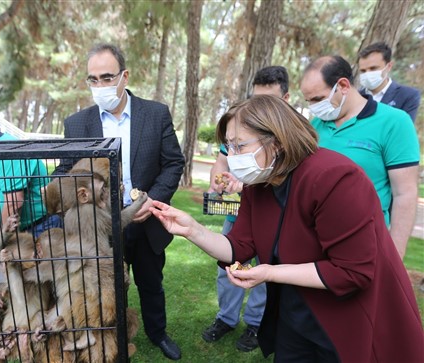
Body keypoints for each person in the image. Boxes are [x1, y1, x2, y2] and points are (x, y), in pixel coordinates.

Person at [150, 95, 424, 362]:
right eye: (229, 147)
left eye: (239, 146)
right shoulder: (260, 182)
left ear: (277, 141)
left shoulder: (335, 177)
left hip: (349, 317)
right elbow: (240, 247)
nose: (231, 157)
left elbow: (352, 271)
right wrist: (193, 230)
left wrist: (269, 272)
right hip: (295, 312)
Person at [53, 44, 185, 360]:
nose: (100, 86)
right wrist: (69, 192)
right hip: (100, 228)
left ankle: (157, 333)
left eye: (107, 77)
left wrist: (151, 200)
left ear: (124, 76)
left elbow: (173, 163)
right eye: (93, 79)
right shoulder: (77, 124)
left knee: (151, 282)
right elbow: (64, 170)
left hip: (145, 219)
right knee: (105, 286)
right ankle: (110, 336)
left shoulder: (155, 114)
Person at [300, 55, 420, 259]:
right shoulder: (315, 127)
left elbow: (405, 194)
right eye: (308, 101)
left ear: (344, 85)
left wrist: (394, 256)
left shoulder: (394, 122)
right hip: (314, 243)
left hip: (364, 244)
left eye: (318, 99)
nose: (313, 107)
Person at [203, 66, 289, 351]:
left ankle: (255, 324)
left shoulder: (288, 137)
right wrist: (221, 179)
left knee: (263, 273)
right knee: (229, 267)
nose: (257, 109)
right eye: (255, 99)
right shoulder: (241, 127)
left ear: (285, 100)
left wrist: (252, 182)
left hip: (269, 220)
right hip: (235, 216)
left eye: (268, 102)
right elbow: (223, 159)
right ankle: (226, 318)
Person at [357, 41, 421, 122]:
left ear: (389, 66)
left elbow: (403, 130)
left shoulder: (407, 95)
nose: (367, 73)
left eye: (373, 68)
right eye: (363, 71)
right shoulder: (356, 97)